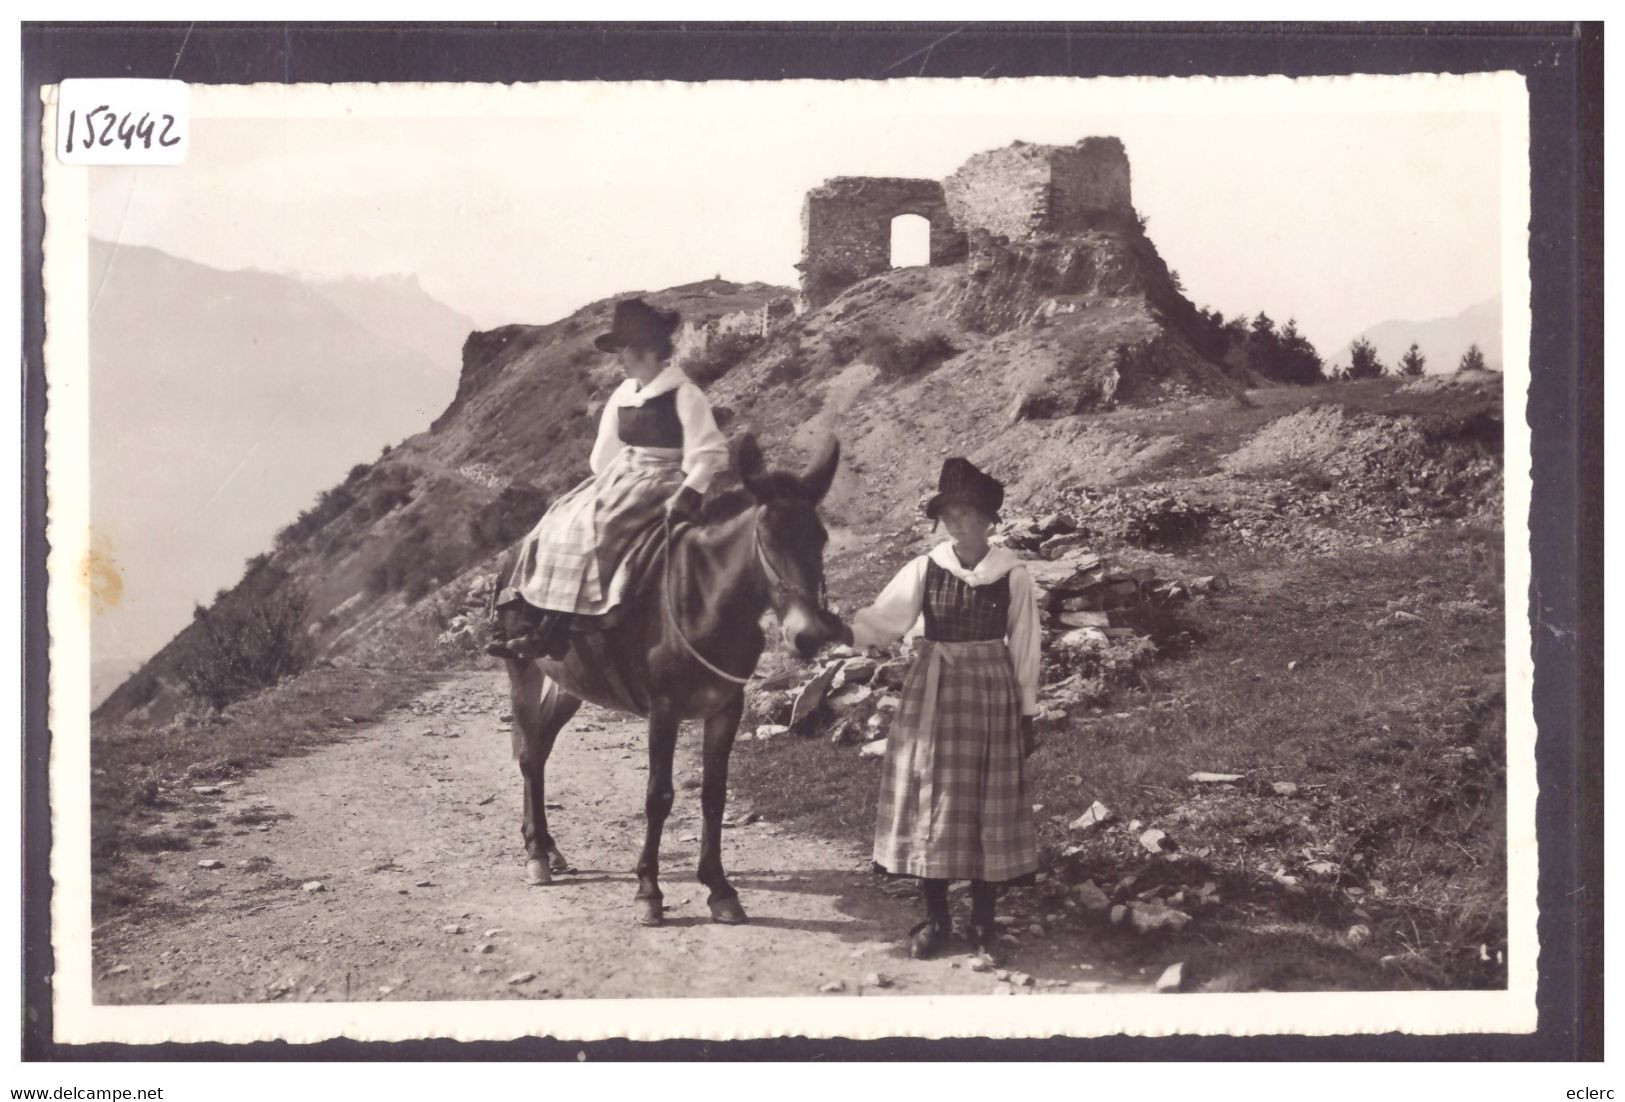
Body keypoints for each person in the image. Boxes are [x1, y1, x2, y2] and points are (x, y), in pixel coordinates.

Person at [832, 457, 1041, 961]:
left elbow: (1027, 646)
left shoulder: (1013, 575)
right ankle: (936, 918)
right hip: (935, 690)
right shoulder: (925, 568)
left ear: (988, 519)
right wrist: (840, 630)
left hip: (991, 692)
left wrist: (1026, 712)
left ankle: (984, 923)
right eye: (947, 512)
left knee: (985, 803)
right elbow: (884, 621)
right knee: (932, 800)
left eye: (966, 511)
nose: (954, 520)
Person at [487, 297, 727, 661]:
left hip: (663, 480)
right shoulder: (623, 394)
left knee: (600, 527)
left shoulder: (685, 395)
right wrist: (606, 483)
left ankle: (562, 626)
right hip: (623, 475)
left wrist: (690, 492)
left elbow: (708, 453)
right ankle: (528, 617)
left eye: (625, 350)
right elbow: (603, 456)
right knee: (558, 517)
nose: (621, 358)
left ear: (647, 350)